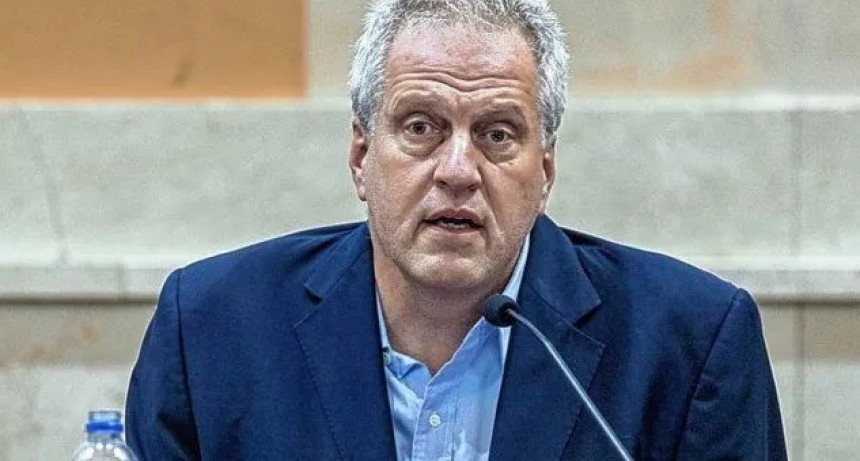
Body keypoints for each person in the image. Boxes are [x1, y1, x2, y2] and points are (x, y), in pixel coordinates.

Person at [125, 0, 787, 459]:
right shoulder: (213, 328)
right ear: (361, 156)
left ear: (545, 171)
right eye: (421, 127)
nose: (458, 170)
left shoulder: (689, 344)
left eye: (497, 134)